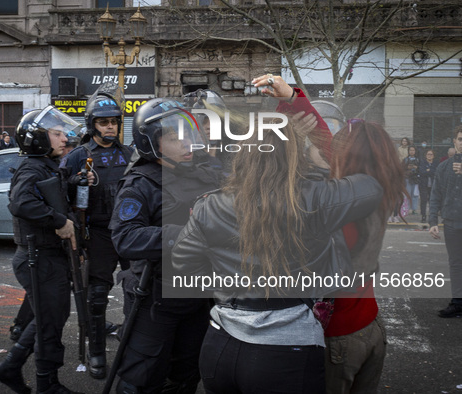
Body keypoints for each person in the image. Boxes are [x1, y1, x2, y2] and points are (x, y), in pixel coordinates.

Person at [170, 75, 383, 394]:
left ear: (243, 154)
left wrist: (231, 290)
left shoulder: (210, 206)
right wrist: (314, 132)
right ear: (295, 154)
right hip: (286, 350)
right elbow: (370, 184)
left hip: (220, 345)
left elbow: (184, 264)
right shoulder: (317, 199)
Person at [109, 97, 223, 394]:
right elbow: (125, 237)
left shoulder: (206, 173)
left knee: (187, 372)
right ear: (152, 144)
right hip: (155, 299)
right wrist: (184, 235)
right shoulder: (140, 184)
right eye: (173, 137)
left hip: (199, 295)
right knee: (142, 377)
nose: (185, 143)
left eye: (187, 133)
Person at [0, 106, 81, 394]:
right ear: (38, 138)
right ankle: (45, 384)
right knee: (49, 323)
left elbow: (51, 195)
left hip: (48, 257)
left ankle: (14, 367)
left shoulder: (46, 165)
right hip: (37, 257)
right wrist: (60, 222)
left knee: (49, 318)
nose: (64, 138)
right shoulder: (31, 167)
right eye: (56, 134)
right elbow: (22, 203)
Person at [325, 119, 407, 394]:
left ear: (347, 160)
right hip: (370, 326)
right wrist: (293, 98)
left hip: (339, 334)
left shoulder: (343, 215)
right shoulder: (380, 194)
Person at [61, 91, 133, 379]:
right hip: (98, 234)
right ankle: (97, 353)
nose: (110, 127)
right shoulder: (79, 156)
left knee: (137, 292)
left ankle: (134, 348)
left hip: (129, 232)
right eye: (103, 122)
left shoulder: (130, 154)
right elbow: (59, 195)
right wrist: (74, 182)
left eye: (114, 122)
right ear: (92, 125)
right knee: (97, 297)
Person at [429, 126, 462, 318]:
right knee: (456, 263)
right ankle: (457, 302)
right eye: (460, 139)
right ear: (454, 142)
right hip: (451, 222)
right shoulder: (443, 167)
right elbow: (436, 195)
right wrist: (433, 220)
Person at [418, 149, 439, 223]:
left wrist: (428, 170)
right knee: (423, 201)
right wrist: (430, 171)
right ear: (425, 155)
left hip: (433, 186)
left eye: (431, 154)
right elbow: (422, 172)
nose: (429, 156)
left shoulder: (436, 163)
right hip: (423, 185)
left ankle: (432, 216)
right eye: (428, 154)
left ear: (433, 156)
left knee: (432, 201)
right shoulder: (423, 162)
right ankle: (423, 216)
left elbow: (436, 172)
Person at [402, 145, 420, 215]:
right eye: (410, 150)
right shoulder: (405, 160)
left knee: (415, 195)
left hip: (415, 179)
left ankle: (414, 209)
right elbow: (402, 169)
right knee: (407, 194)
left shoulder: (418, 160)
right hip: (407, 179)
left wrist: (416, 167)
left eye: (413, 150)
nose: (412, 152)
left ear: (415, 151)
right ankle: (406, 209)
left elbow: (420, 169)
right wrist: (407, 167)